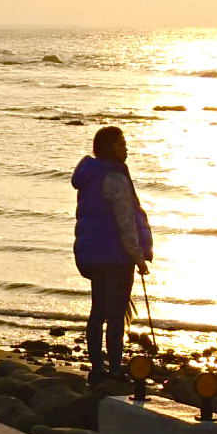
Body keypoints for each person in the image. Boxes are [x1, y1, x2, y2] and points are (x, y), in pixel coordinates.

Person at [69, 126, 151, 381]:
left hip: (93, 255)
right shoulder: (114, 177)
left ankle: (97, 367)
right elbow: (125, 221)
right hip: (115, 255)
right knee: (115, 315)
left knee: (99, 311)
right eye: (121, 143)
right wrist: (138, 256)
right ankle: (114, 368)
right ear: (110, 148)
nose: (126, 147)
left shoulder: (91, 176)